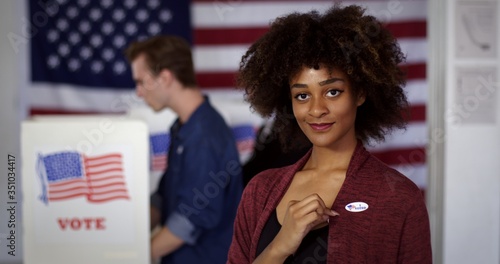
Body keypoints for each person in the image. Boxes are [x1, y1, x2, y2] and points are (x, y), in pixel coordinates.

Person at [227, 4, 432, 264]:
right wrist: (281, 245)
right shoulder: (260, 191)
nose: (316, 109)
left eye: (332, 91)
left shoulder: (398, 198)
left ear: (359, 93)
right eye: (302, 95)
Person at [125, 35, 243, 264]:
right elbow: (163, 198)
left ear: (166, 77)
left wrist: (136, 255)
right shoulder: (184, 128)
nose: (139, 92)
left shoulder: (205, 135)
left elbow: (192, 220)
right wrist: (125, 233)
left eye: (141, 82)